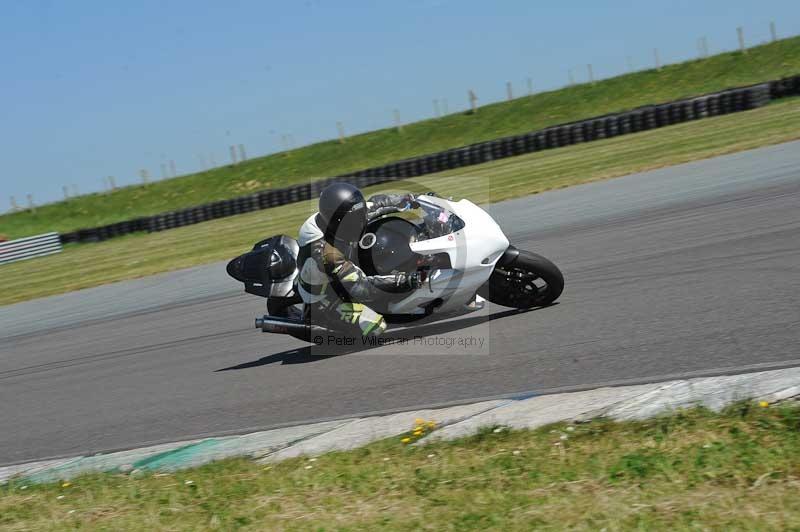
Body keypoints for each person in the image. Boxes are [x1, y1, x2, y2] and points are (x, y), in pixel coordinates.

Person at [297, 182, 423, 337]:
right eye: (355, 218)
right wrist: (404, 281)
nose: (361, 220)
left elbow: (378, 204)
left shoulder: (344, 216)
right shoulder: (327, 254)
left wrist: (413, 199)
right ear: (338, 220)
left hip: (344, 268)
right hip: (327, 296)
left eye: (360, 214)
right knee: (375, 325)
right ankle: (326, 319)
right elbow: (361, 287)